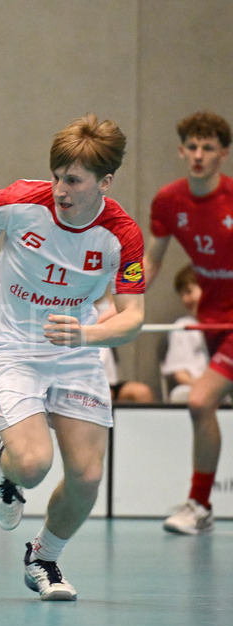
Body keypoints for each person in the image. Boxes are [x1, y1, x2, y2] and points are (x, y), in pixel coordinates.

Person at [0, 114, 144, 600]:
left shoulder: (120, 235)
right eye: (58, 174)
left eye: (74, 180)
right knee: (34, 463)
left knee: (86, 476)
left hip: (76, 347)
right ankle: (8, 470)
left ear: (105, 182)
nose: (61, 188)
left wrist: (86, 336)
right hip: (12, 346)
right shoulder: (24, 201)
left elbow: (132, 319)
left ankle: (43, 558)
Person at [145, 110, 233, 535]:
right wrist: (122, 296)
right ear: (182, 151)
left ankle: (198, 504)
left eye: (209, 148)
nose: (199, 155)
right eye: (192, 147)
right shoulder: (168, 201)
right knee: (205, 406)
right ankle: (202, 506)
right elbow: (150, 261)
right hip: (211, 321)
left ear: (223, 154)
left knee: (199, 401)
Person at [160, 264, 209, 403]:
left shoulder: (224, 323)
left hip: (224, 385)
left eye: (188, 292)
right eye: (181, 295)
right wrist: (204, 387)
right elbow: (180, 374)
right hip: (193, 387)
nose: (185, 300)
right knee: (181, 395)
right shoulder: (183, 326)